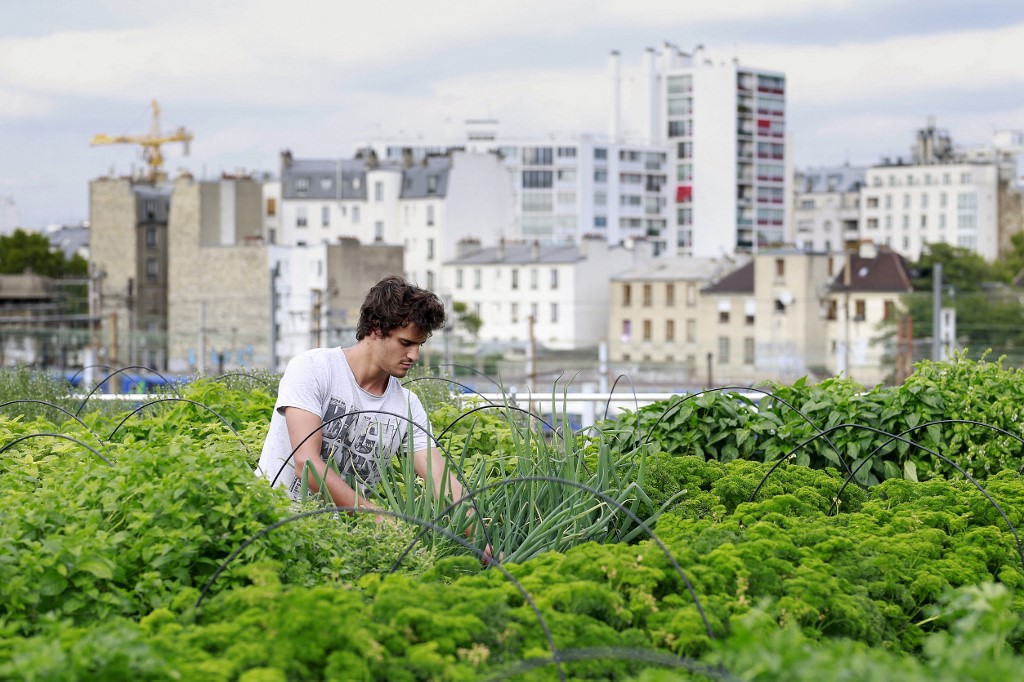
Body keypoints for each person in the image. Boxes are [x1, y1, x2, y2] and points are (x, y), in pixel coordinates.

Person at [256, 275, 475, 533]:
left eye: (420, 345)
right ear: (375, 328)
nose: (414, 356)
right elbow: (307, 464)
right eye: (405, 343)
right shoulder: (314, 369)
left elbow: (441, 482)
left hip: (343, 544)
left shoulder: (406, 407)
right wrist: (377, 517)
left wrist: (483, 540)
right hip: (272, 526)